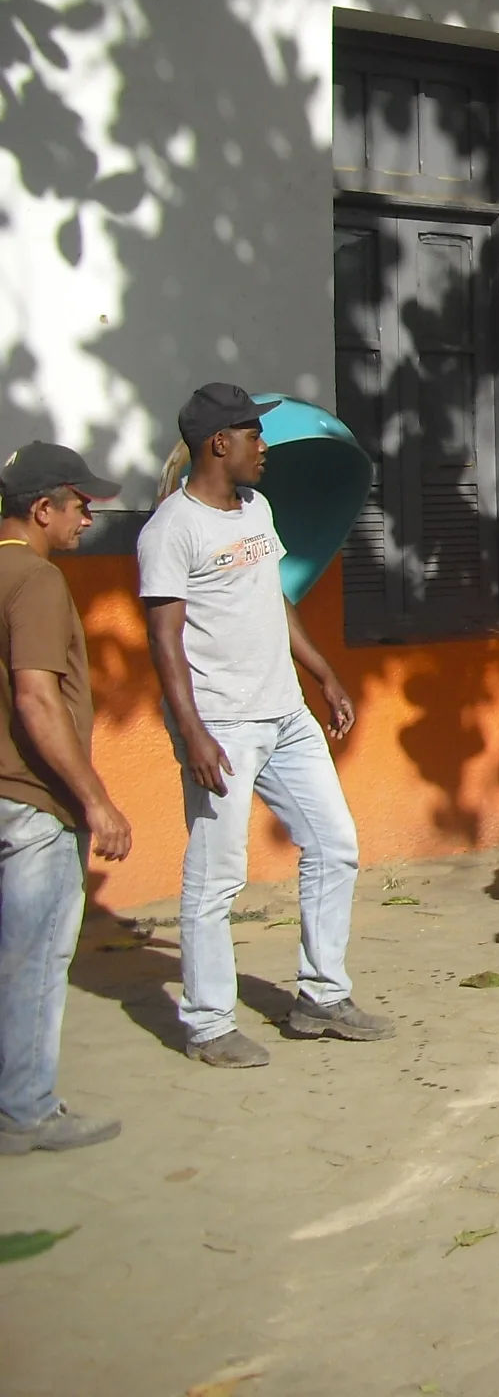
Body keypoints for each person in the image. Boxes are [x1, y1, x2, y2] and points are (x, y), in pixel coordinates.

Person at [138, 384, 392, 1067]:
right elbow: (163, 642)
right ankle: (209, 1023)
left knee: (334, 844)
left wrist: (323, 673)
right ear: (219, 443)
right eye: (255, 438)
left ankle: (321, 997)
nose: (264, 451)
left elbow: (274, 598)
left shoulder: (257, 508)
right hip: (222, 725)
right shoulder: (171, 529)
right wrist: (191, 732)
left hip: (286, 714)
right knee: (217, 875)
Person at [0, 443, 135, 1153]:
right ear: (43, 508)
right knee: (38, 956)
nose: (89, 517)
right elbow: (36, 698)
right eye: (81, 504)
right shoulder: (37, 581)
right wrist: (94, 799)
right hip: (32, 803)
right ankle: (25, 1109)